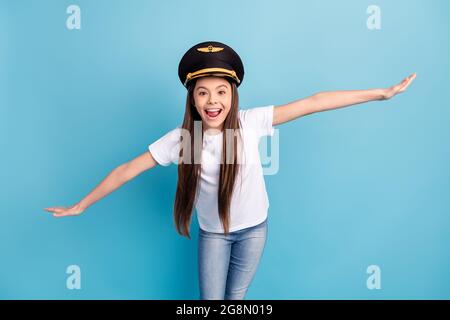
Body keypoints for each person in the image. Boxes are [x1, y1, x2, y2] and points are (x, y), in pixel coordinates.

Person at [44, 41, 416, 299]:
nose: (212, 100)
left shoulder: (250, 122)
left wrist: (380, 93)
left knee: (236, 299)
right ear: (192, 97)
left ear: (232, 95)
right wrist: (82, 204)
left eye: (221, 91)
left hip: (254, 229)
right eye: (202, 92)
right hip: (214, 235)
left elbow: (315, 102)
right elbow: (127, 170)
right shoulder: (180, 139)